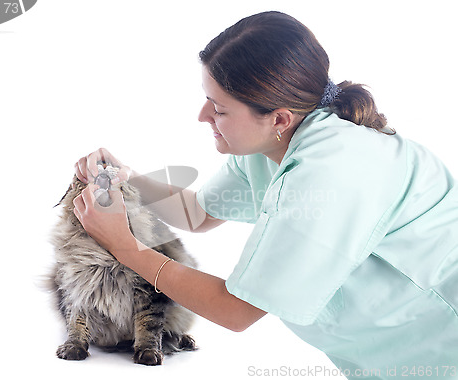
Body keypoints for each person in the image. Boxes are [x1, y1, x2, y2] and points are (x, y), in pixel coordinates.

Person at [72, 11, 458, 379]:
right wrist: (123, 177)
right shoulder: (275, 145)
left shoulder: (330, 173)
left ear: (278, 118)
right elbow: (198, 214)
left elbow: (235, 310)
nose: (203, 115)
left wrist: (124, 248)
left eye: (219, 108)